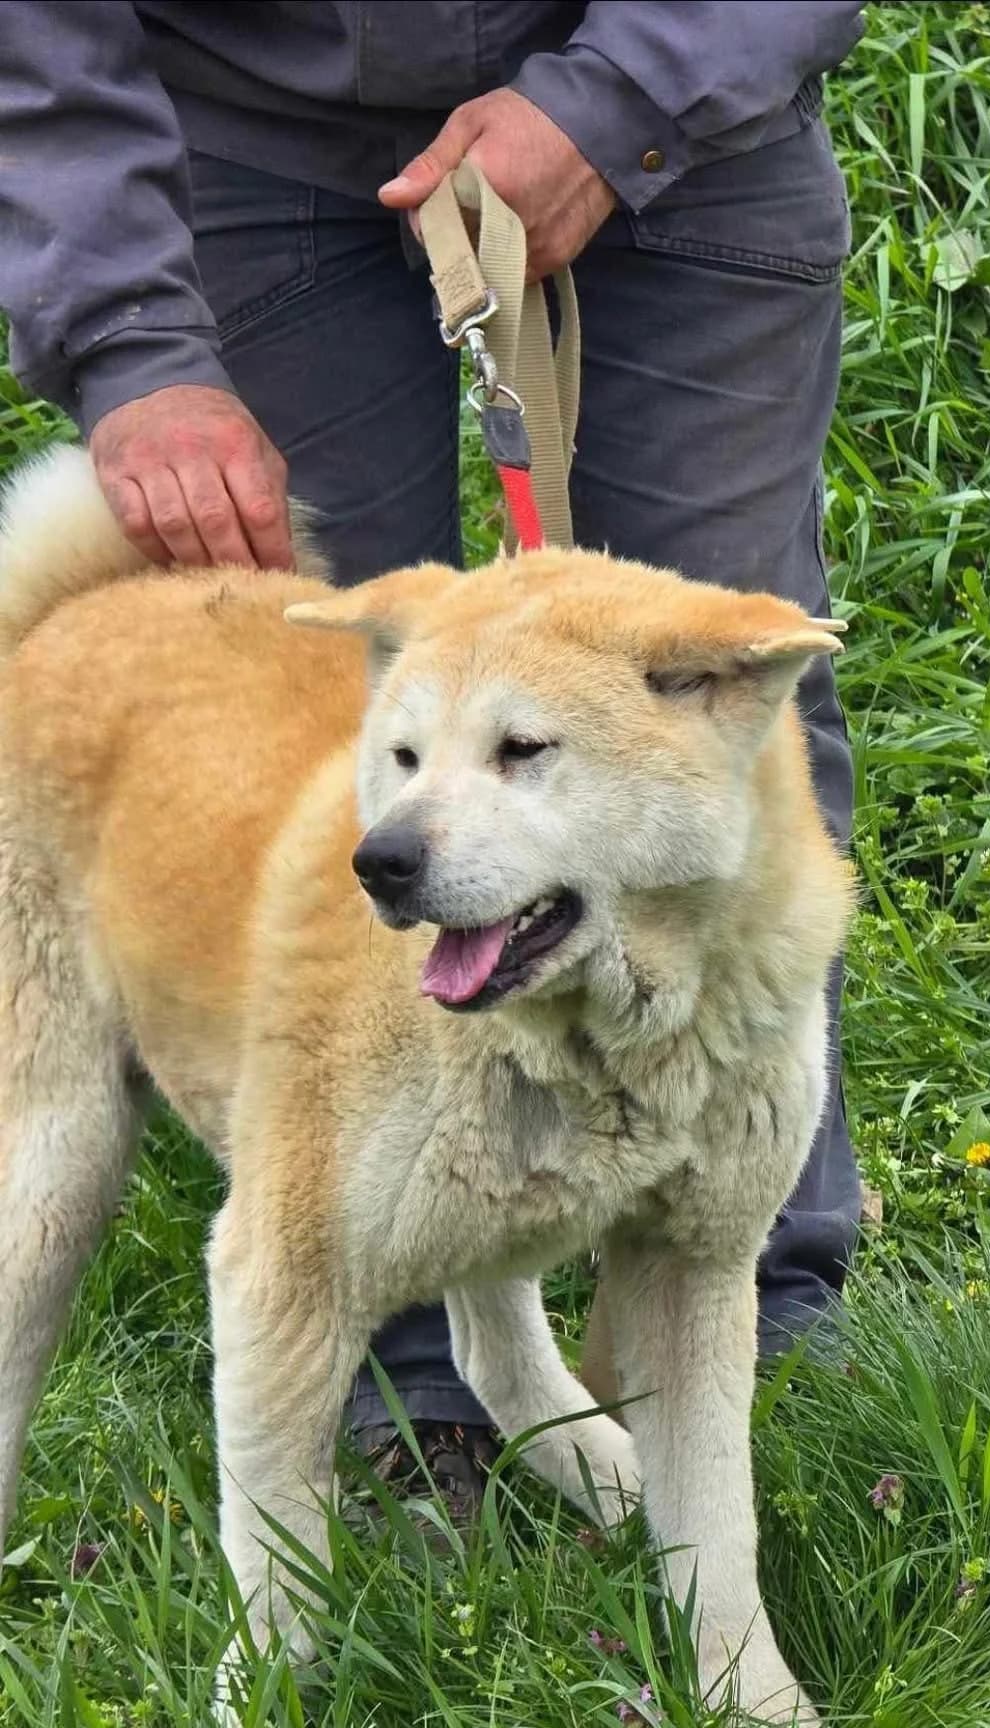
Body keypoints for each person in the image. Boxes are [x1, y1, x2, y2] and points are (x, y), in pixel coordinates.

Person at [2, 1, 866, 1522]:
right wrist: (135, 340)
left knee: (731, 722)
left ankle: (753, 1326)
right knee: (365, 756)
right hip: (248, 135)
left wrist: (629, 98)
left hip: (689, 107)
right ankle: (410, 1367)